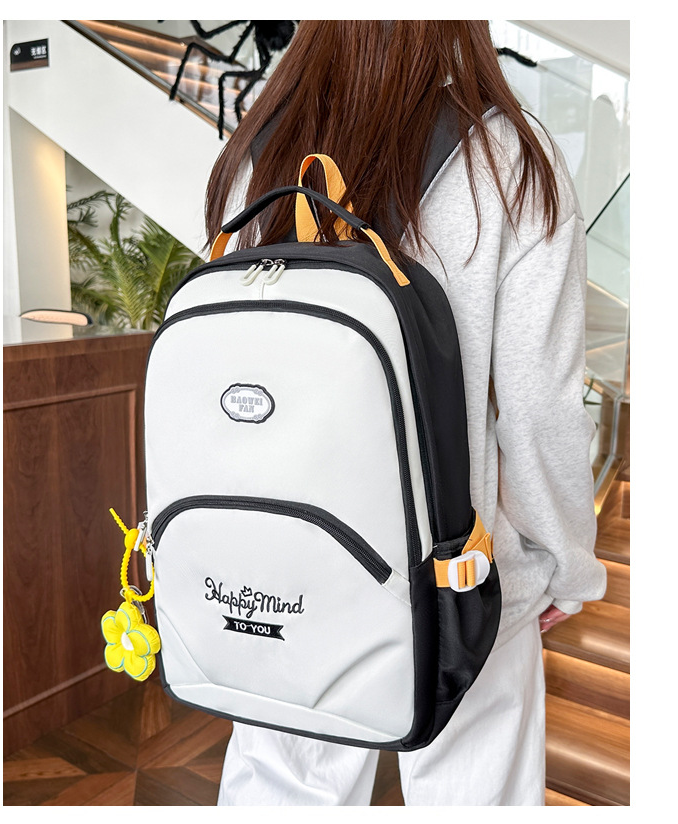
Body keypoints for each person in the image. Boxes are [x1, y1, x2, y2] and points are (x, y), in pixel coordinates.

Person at [200, 20, 607, 806]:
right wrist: (567, 565)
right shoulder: (510, 159)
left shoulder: (256, 152)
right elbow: (539, 410)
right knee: (473, 792)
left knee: (282, 789)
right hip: (461, 574)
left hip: (279, 564)